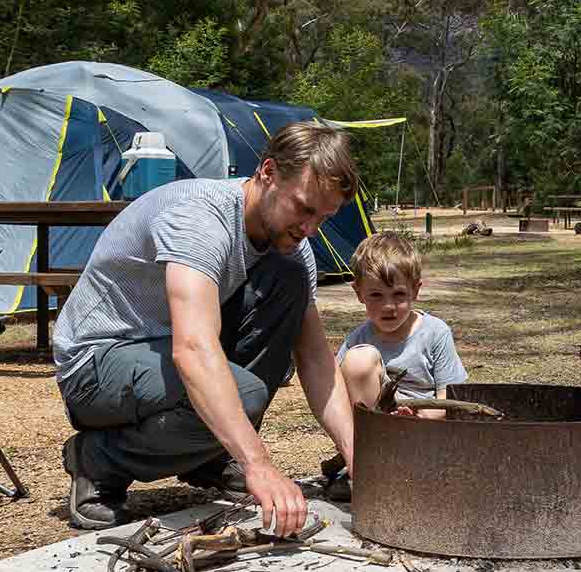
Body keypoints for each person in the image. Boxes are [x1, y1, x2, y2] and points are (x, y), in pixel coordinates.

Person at [53, 121, 358, 537]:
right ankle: (98, 461)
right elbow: (193, 349)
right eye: (304, 208)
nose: (309, 229)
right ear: (268, 173)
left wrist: (356, 451)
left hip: (160, 357)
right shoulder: (201, 218)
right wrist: (259, 465)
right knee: (244, 393)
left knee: (287, 280)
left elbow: (315, 357)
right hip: (97, 363)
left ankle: (207, 454)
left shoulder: (292, 244)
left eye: (323, 218)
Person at [336, 231, 468, 418]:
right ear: (359, 294)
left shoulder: (435, 332)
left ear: (415, 291)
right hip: (377, 425)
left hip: (424, 425)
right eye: (376, 295)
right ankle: (372, 438)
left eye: (398, 294)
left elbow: (450, 395)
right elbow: (338, 391)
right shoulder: (358, 341)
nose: (388, 306)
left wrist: (421, 417)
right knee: (358, 360)